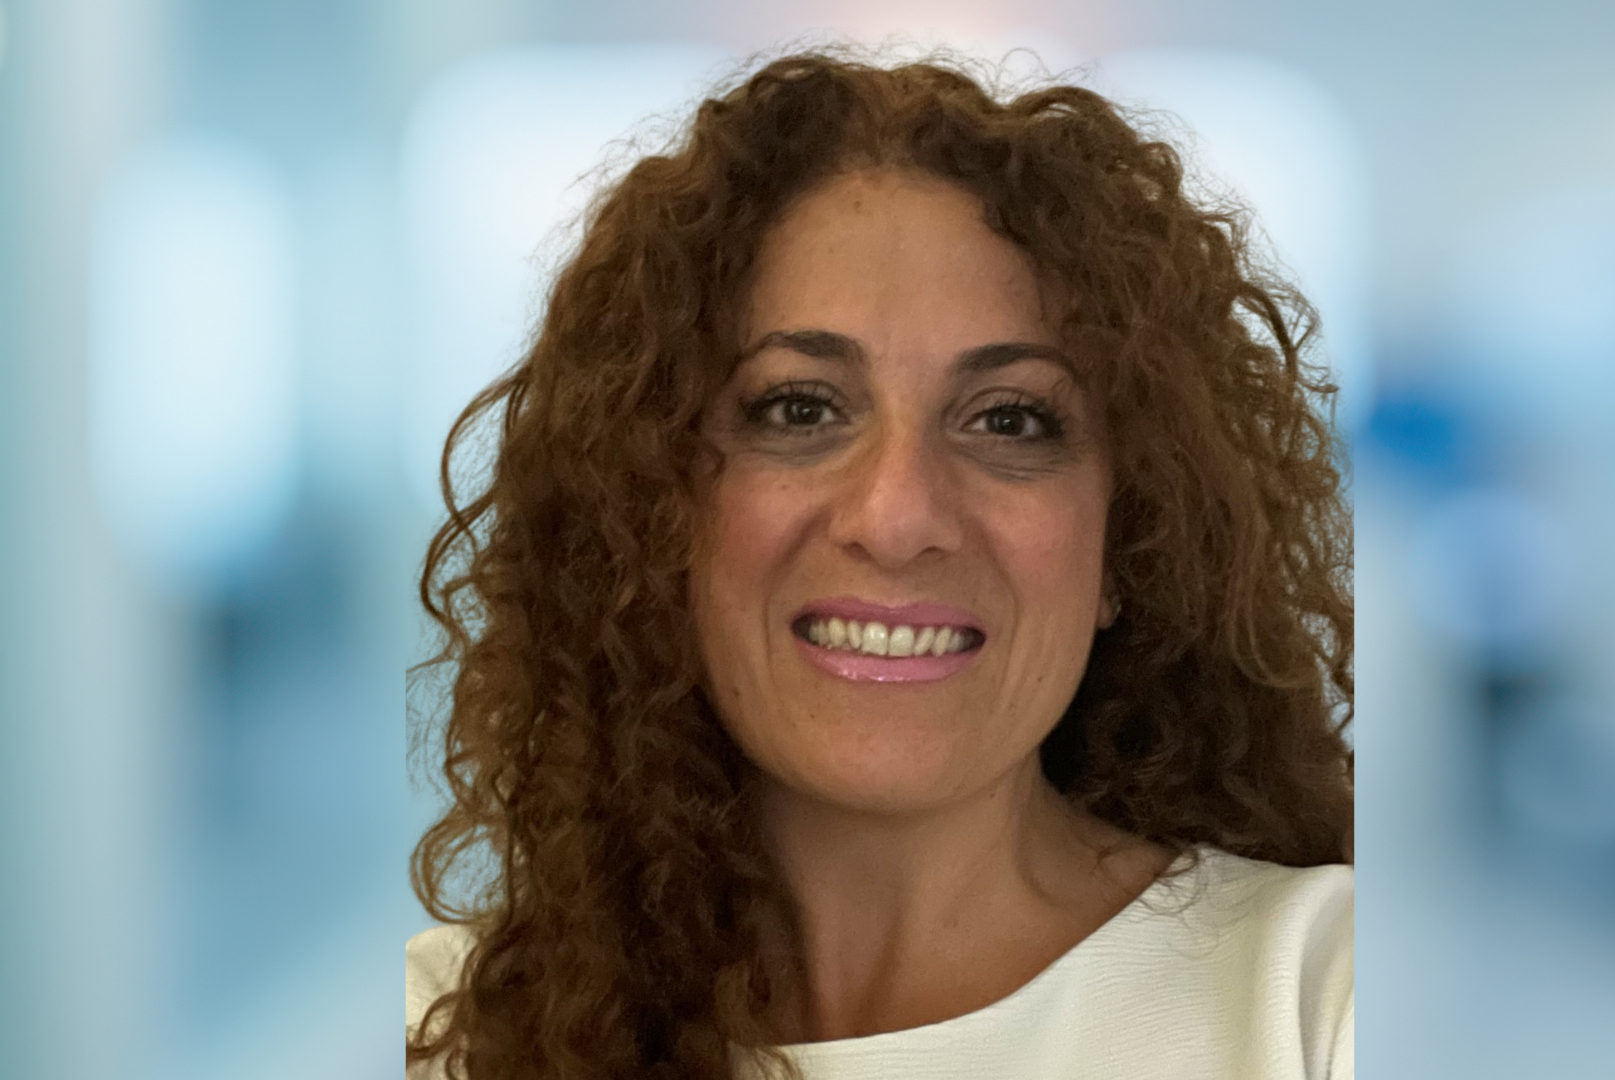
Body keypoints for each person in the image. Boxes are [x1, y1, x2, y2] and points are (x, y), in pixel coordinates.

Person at [405, 47, 1353, 1080]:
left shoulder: (1318, 994)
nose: (897, 517)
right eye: (799, 409)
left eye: (1008, 419)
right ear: (652, 513)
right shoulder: (439, 1028)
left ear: (1131, 539)